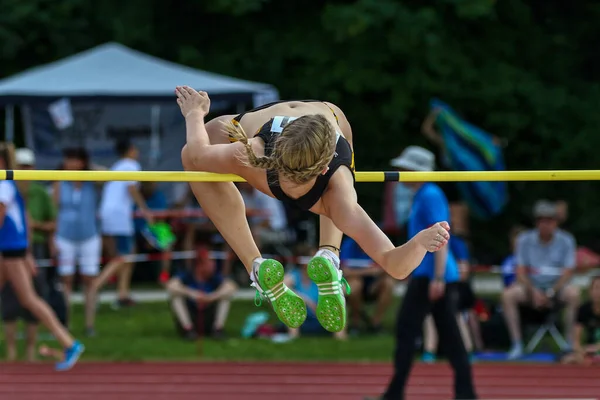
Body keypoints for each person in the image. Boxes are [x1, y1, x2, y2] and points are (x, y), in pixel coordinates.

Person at [177, 87, 450, 333]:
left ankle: (256, 265)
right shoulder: (339, 191)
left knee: (193, 160)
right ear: (323, 166)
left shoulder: (251, 154)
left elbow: (197, 152)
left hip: (270, 162)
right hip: (326, 135)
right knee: (340, 159)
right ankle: (329, 254)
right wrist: (419, 244)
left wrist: (195, 113)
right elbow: (395, 265)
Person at [368, 146, 476, 400]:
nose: (400, 173)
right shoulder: (423, 195)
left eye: (405, 169)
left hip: (432, 277)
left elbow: (442, 235)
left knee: (408, 332)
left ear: (418, 171)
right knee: (448, 337)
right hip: (431, 276)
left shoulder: (429, 195)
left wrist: (437, 277)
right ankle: (465, 394)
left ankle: (395, 394)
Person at [0, 143, 83, 370]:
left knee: (29, 300)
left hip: (10, 249)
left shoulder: (3, 186)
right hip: (12, 248)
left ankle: (69, 342)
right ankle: (69, 342)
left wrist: (25, 252)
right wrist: (27, 252)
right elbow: (24, 218)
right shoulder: (8, 185)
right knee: (29, 299)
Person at [502, 200, 579, 359]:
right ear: (536, 222)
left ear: (556, 222)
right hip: (531, 288)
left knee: (574, 294)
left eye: (549, 220)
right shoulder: (524, 240)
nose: (545, 224)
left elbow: (567, 272)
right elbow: (520, 271)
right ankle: (516, 344)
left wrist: (551, 292)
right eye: (542, 220)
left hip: (556, 288)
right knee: (508, 295)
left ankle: (569, 344)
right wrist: (533, 291)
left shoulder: (567, 240)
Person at [92, 139, 153, 311]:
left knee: (127, 255)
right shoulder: (131, 165)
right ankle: (96, 285)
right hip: (118, 215)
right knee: (123, 256)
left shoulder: (117, 165)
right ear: (131, 150)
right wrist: (145, 210)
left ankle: (122, 294)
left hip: (108, 212)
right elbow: (131, 189)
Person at [53, 147, 101, 337]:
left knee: (90, 280)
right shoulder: (59, 182)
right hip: (64, 236)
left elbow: (107, 174)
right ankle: (66, 323)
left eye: (74, 160)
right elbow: (54, 209)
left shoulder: (91, 181)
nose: (70, 164)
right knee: (66, 280)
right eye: (68, 160)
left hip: (89, 235)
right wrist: (53, 237)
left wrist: (89, 168)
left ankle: (89, 325)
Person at [166, 244, 237, 340]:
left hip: (208, 313)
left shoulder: (215, 277)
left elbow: (231, 287)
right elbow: (171, 285)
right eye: (210, 261)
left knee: (225, 297)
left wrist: (211, 297)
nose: (214, 264)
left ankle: (218, 329)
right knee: (176, 297)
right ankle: (188, 329)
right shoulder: (187, 275)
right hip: (192, 313)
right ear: (200, 264)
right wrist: (192, 294)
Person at [561, 276, 600, 365]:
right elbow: (576, 338)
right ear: (590, 291)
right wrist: (578, 350)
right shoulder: (584, 309)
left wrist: (595, 348)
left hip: (594, 348)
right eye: (595, 288)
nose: (598, 292)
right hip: (590, 350)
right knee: (567, 360)